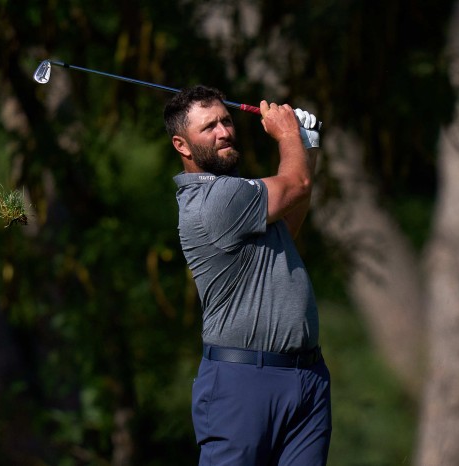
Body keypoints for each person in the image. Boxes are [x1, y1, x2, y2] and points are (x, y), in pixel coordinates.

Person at [163, 85, 331, 466]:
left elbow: (290, 217)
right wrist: (289, 135)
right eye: (209, 127)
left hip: (306, 377)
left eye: (226, 120)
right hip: (242, 383)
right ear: (182, 145)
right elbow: (297, 184)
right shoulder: (212, 201)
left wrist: (310, 144)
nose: (224, 132)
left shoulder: (242, 195)